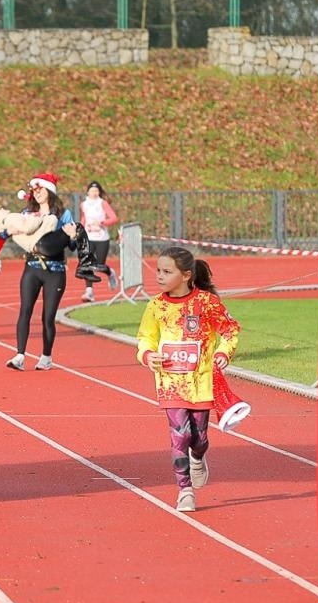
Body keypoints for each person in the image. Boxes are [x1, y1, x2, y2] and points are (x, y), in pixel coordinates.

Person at [134, 247, 241, 512]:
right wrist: (147, 355)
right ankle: (185, 491)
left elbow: (229, 331)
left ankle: (198, 456)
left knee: (199, 437)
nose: (159, 276)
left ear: (186, 275)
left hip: (202, 382)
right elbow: (145, 337)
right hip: (170, 382)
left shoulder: (206, 303)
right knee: (179, 435)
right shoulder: (156, 306)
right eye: (158, 270)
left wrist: (222, 354)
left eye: (166, 272)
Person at [3, 172, 80, 370]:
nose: (36, 193)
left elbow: (71, 247)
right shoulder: (27, 213)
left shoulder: (64, 215)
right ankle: (20, 355)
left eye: (40, 189)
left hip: (55, 270)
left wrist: (72, 237)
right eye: (34, 190)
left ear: (50, 191)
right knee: (25, 310)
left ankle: (46, 356)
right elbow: (15, 234)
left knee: (48, 316)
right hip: (32, 267)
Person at [78, 180, 121, 302]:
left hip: (102, 238)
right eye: (92, 190)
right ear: (88, 192)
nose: (94, 193)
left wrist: (102, 222)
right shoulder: (83, 204)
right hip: (88, 238)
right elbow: (83, 218)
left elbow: (113, 218)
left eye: (96, 190)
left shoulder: (103, 203)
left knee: (99, 266)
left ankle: (110, 273)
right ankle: (89, 292)